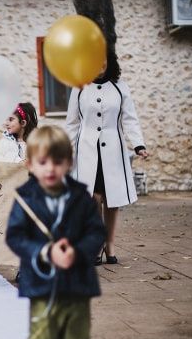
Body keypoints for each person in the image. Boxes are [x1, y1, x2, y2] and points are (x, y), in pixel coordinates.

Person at [5, 126, 106, 339]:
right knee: (43, 337)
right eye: (43, 162)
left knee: (76, 338)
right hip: (42, 283)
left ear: (69, 163)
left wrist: (78, 251)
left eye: (58, 162)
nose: (51, 169)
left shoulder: (81, 197)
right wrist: (46, 252)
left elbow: (96, 231)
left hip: (77, 282)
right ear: (30, 165)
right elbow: (15, 236)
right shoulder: (25, 198)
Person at [63, 51, 148, 265]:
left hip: (113, 150)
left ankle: (110, 245)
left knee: (112, 199)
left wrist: (138, 144)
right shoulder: (79, 87)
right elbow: (72, 122)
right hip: (87, 150)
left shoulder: (121, 87)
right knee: (93, 197)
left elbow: (130, 119)